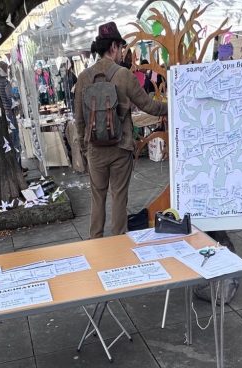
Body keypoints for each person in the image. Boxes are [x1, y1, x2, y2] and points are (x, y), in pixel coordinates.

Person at [74, 21, 168, 239]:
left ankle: (95, 242)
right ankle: (117, 245)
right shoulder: (124, 75)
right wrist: (171, 107)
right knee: (119, 197)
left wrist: (84, 149)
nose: (121, 52)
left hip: (95, 150)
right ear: (114, 47)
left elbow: (78, 119)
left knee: (97, 198)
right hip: (120, 147)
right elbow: (150, 106)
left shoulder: (83, 78)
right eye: (121, 47)